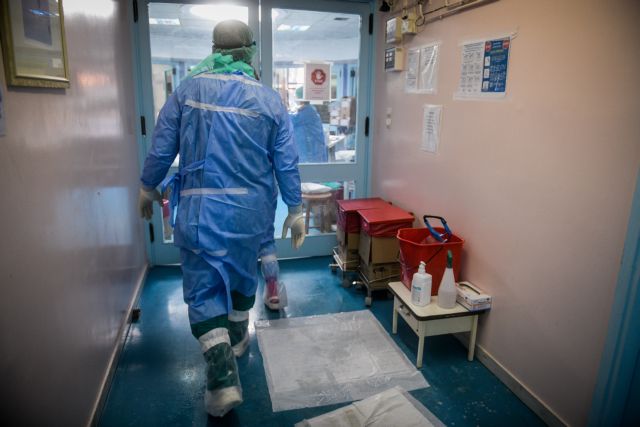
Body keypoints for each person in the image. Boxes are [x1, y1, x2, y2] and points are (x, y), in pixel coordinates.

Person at [137, 20, 306, 418]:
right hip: (251, 214)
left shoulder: (188, 91)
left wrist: (147, 186)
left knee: (203, 288)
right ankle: (238, 337)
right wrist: (296, 209)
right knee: (243, 276)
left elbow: (162, 146)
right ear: (250, 52)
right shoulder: (269, 100)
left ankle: (222, 377)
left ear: (214, 49)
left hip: (202, 212)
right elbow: (286, 161)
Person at [290, 86, 328, 163]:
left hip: (312, 153)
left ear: (300, 98)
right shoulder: (307, 110)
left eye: (296, 96)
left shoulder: (308, 111)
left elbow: (291, 120)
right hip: (310, 152)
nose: (295, 99)